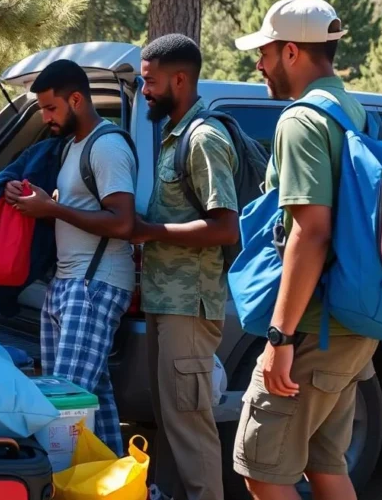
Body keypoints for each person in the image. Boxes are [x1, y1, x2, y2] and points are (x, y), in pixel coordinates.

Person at [231, 0, 379, 500]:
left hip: (314, 328)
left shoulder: (300, 120)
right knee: (325, 464)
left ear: (291, 52)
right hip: (350, 324)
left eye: (266, 52)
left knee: (262, 468)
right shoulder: (352, 111)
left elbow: (309, 231)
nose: (260, 64)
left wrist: (280, 339)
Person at [8, 59, 137, 455]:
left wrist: (53, 210)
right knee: (93, 398)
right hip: (69, 285)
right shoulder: (73, 146)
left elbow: (123, 222)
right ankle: (120, 486)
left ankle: (63, 486)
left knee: (64, 407)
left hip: (94, 285)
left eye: (50, 108)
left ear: (76, 99)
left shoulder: (108, 146)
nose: (45, 117)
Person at [131, 34, 239, 500]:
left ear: (180, 79)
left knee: (191, 430)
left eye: (150, 81)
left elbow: (224, 228)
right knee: (172, 423)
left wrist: (149, 232)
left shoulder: (203, 138)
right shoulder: (174, 136)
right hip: (165, 300)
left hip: (189, 307)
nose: (144, 91)